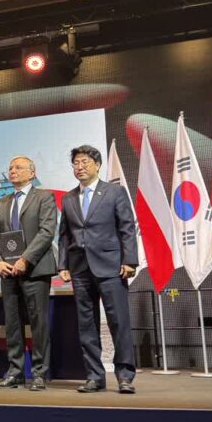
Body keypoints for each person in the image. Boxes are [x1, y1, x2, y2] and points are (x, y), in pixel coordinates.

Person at [58, 144, 139, 394]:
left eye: (84, 162)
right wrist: (63, 264)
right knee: (86, 325)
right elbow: (64, 235)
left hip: (111, 266)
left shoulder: (114, 192)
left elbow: (127, 227)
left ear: (97, 165)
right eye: (76, 163)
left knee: (119, 322)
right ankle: (94, 376)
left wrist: (130, 260)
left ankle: (125, 376)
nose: (79, 167)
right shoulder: (68, 198)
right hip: (80, 269)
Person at [0, 156, 58, 390]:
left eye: (18, 167)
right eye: (10, 167)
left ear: (32, 172)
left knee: (38, 323)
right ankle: (15, 372)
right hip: (8, 272)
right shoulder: (2, 202)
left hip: (35, 270)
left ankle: (39, 373)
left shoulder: (44, 197)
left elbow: (47, 231)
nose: (13, 171)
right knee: (12, 324)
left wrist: (25, 259)